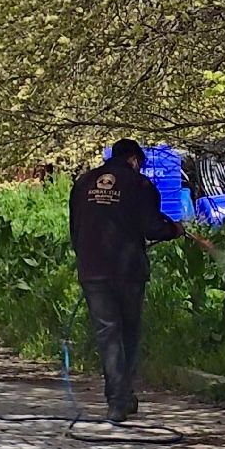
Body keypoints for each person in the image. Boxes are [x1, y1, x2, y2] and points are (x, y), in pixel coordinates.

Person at [68, 138, 191, 422]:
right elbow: (151, 226)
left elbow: (75, 229)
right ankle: (122, 398)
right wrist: (173, 229)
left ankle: (117, 400)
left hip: (92, 269)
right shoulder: (140, 185)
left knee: (107, 334)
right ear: (134, 160)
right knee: (128, 332)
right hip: (128, 272)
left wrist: (86, 259)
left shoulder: (84, 182)